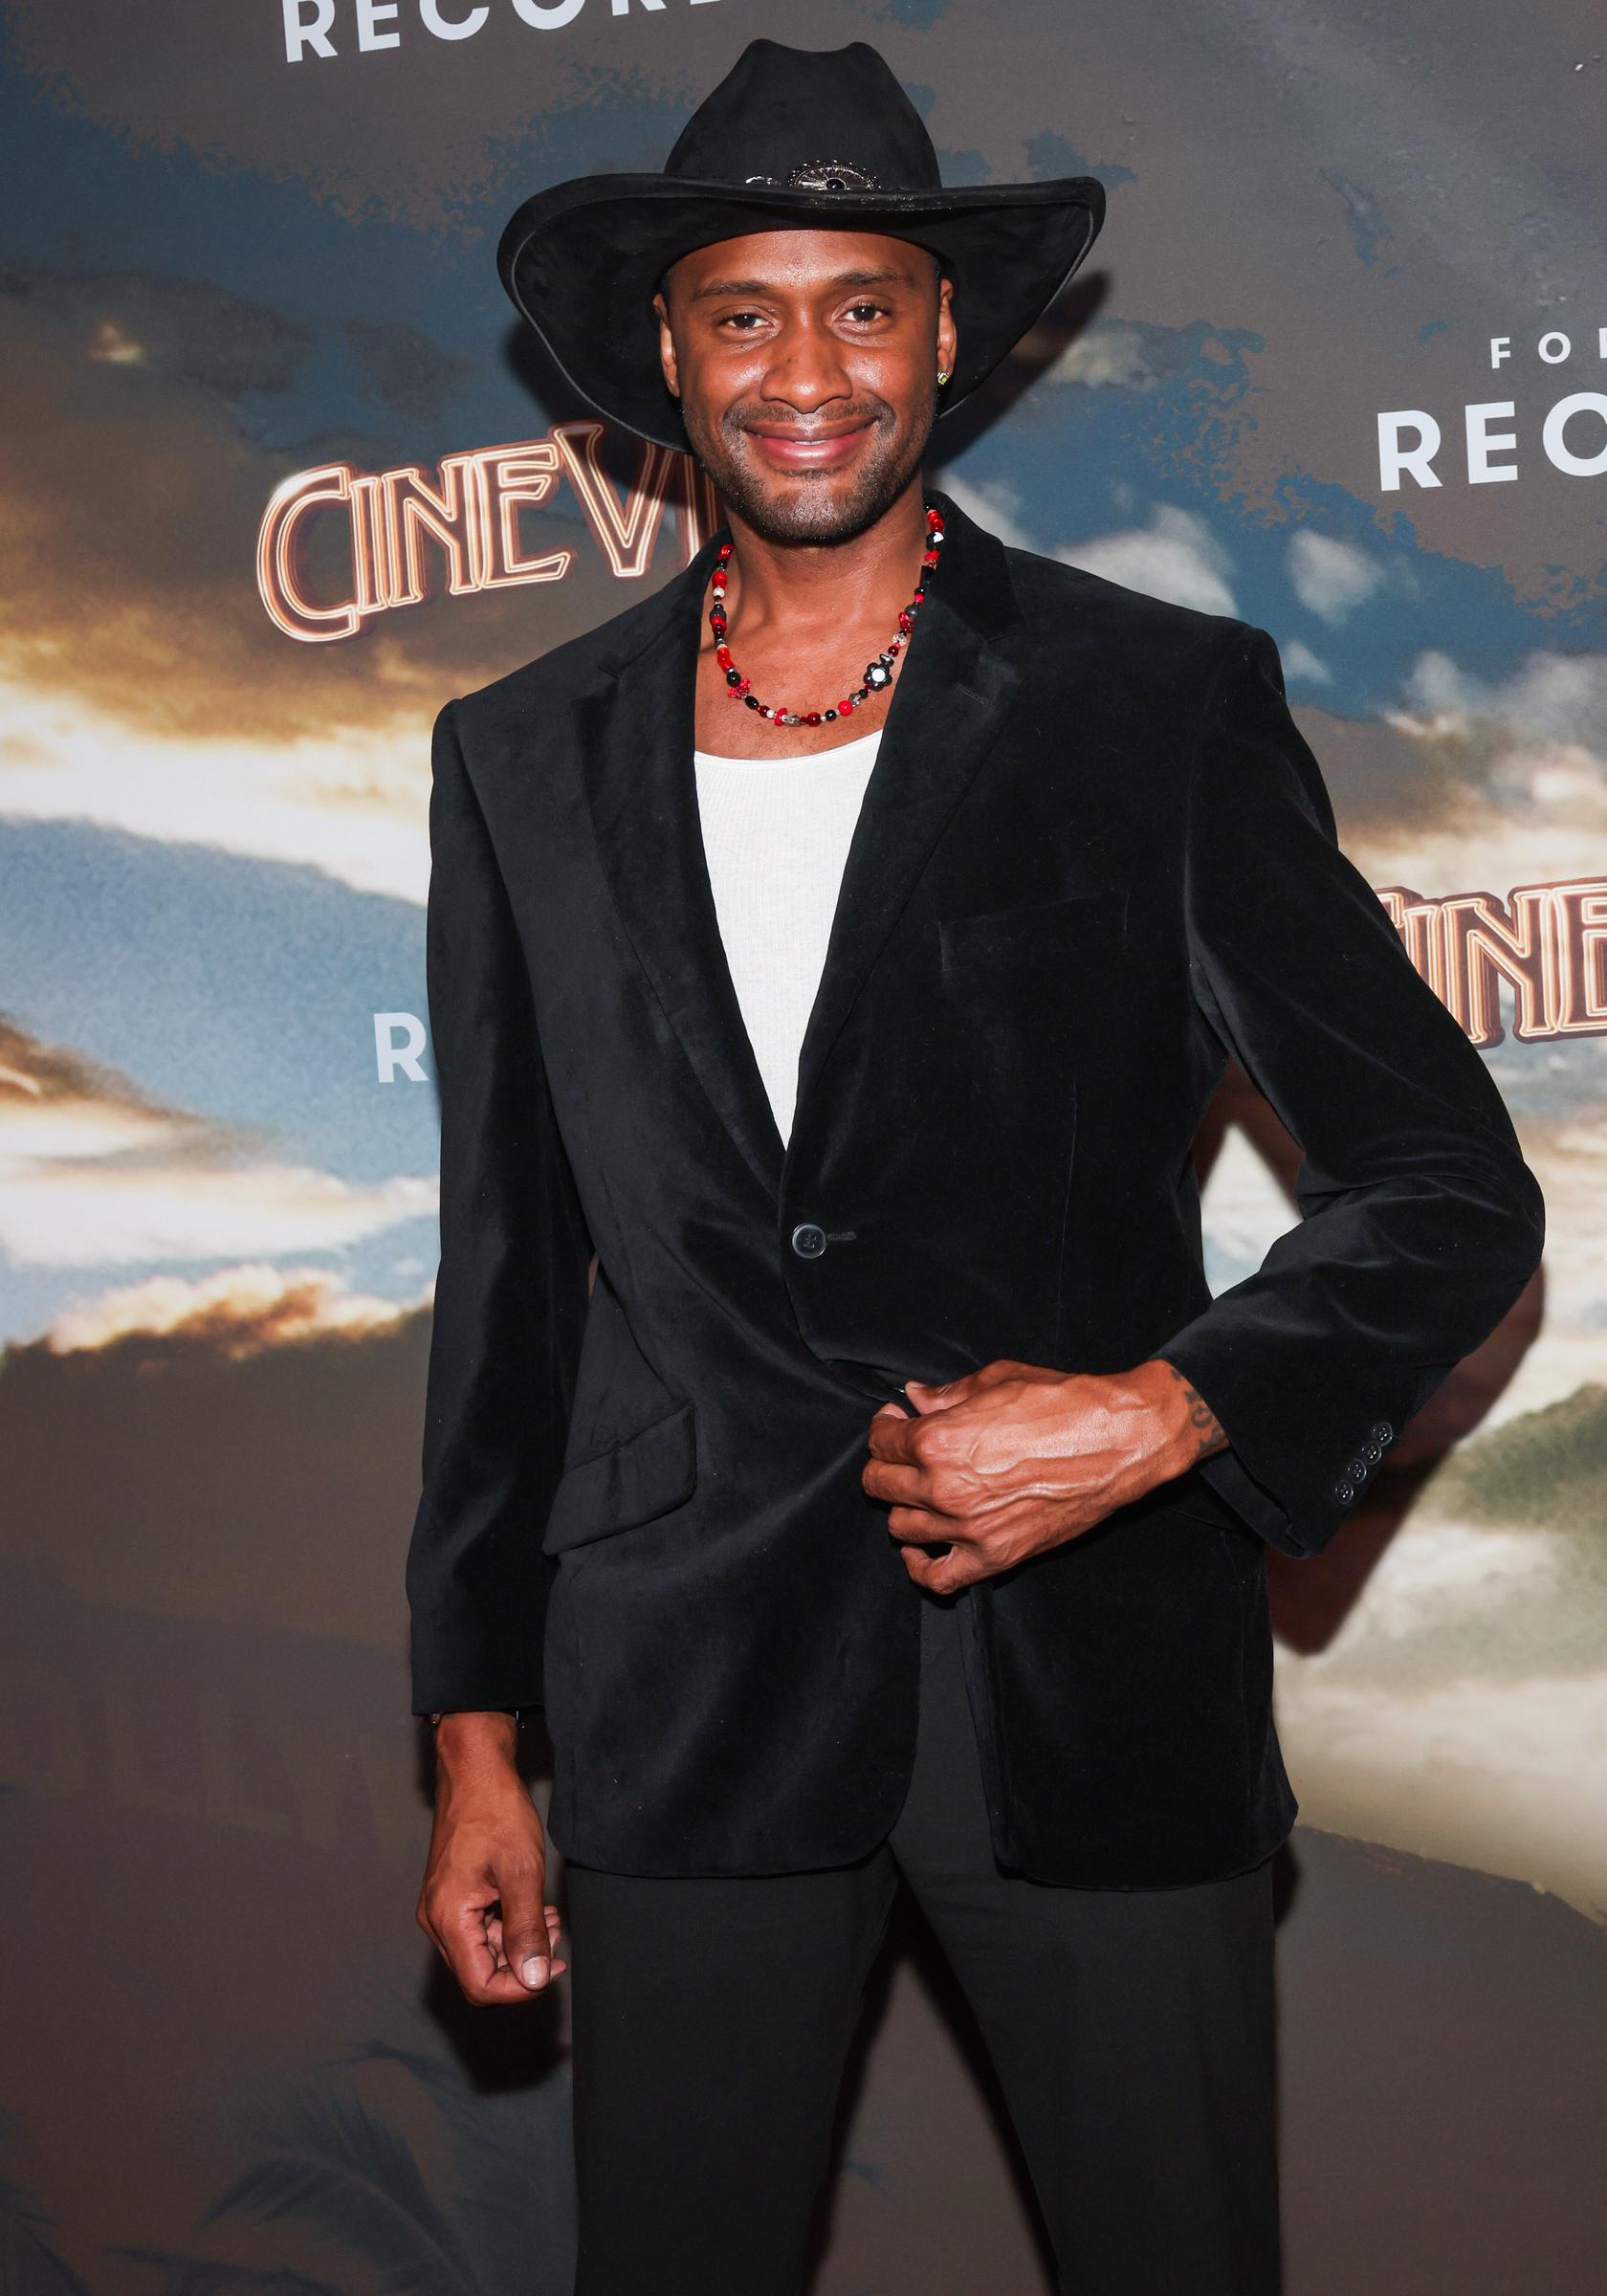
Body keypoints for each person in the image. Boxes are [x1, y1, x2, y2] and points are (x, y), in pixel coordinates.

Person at [407, 37, 1544, 2296]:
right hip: (686, 1700)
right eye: (745, 310)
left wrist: (1162, 1414)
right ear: (668, 352)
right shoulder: (516, 755)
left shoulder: (1156, 704)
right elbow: (507, 1287)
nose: (805, 368)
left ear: (948, 342)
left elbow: (1448, 1186)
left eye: (864, 305)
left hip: (1090, 1691)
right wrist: (471, 1740)